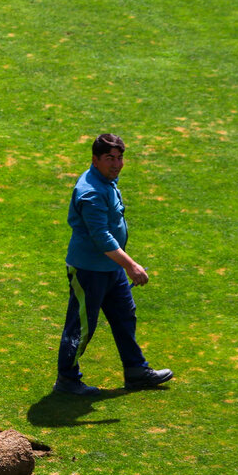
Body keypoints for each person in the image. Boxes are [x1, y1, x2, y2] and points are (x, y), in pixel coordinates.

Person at [54, 133, 173, 395]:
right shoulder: (91, 192)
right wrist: (131, 265)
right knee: (82, 327)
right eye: (110, 158)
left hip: (110, 269)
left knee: (124, 318)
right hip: (89, 271)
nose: (117, 164)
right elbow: (101, 237)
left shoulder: (105, 180)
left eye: (120, 158)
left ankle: (136, 371)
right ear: (95, 160)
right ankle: (67, 380)